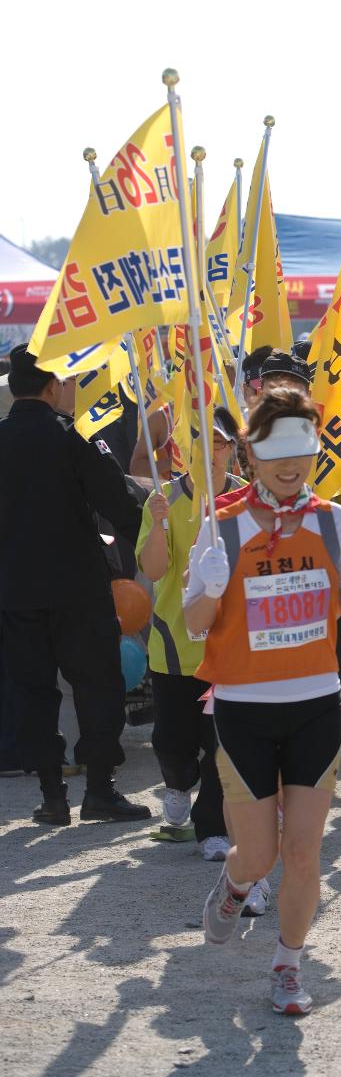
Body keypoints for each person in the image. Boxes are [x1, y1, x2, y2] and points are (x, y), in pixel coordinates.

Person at [183, 388, 341, 1015]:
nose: (291, 467)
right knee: (260, 854)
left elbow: (334, 600)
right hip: (242, 707)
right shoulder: (223, 523)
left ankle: (288, 963)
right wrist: (208, 589)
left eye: (303, 451)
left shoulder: (332, 519)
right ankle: (236, 885)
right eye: (277, 453)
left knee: (303, 851)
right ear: (251, 453)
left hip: (316, 701)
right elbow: (192, 624)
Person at [0, 346, 151, 825]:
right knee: (97, 685)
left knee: (33, 690)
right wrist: (155, 536)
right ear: (52, 386)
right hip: (78, 587)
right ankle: (101, 791)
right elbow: (120, 502)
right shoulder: (75, 438)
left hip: (16, 589)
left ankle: (51, 796)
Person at [137, 409, 246, 860]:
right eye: (204, 441)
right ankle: (178, 784)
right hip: (176, 648)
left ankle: (213, 829)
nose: (214, 452)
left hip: (229, 650)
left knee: (222, 745)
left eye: (222, 443)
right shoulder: (163, 499)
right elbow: (153, 569)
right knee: (174, 742)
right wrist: (159, 525)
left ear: (234, 448)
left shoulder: (248, 501)